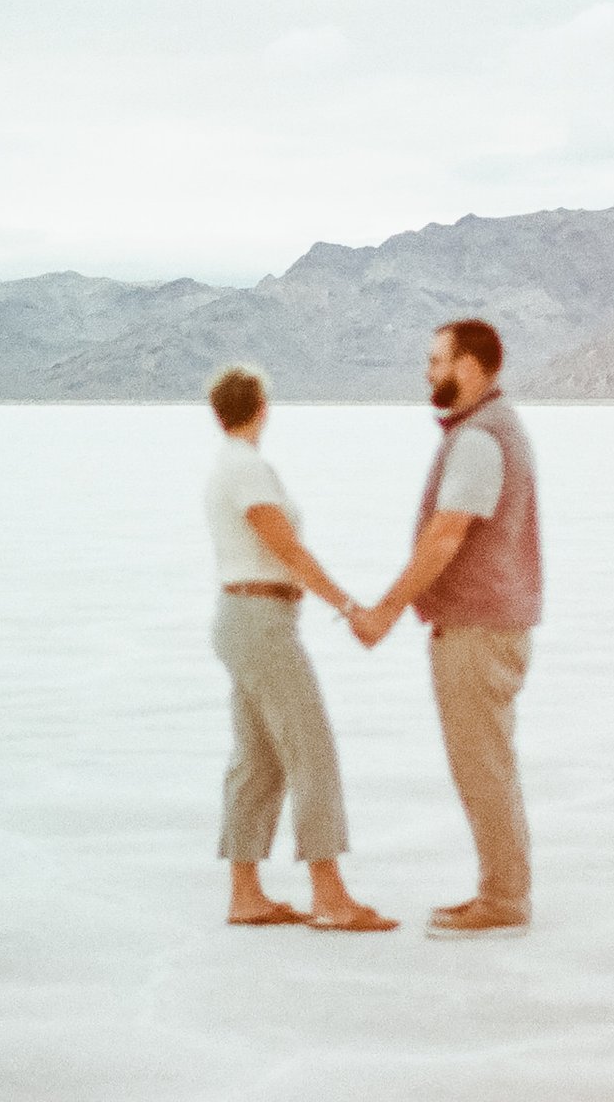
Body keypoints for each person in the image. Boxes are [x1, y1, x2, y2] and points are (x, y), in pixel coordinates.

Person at [349, 318, 541, 937]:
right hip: (485, 624)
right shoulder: (487, 430)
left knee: (481, 764)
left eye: (437, 360)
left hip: (478, 628)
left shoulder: (482, 438)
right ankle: (501, 891)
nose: (427, 372)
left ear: (470, 366)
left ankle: (504, 900)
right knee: (487, 762)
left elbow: (444, 537)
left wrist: (384, 610)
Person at [202, 364, 397, 933]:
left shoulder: (230, 467)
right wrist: (349, 606)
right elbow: (288, 549)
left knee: (259, 757)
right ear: (261, 407)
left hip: (245, 620)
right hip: (260, 622)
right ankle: (330, 896)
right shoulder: (247, 470)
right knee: (311, 749)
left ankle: (246, 894)